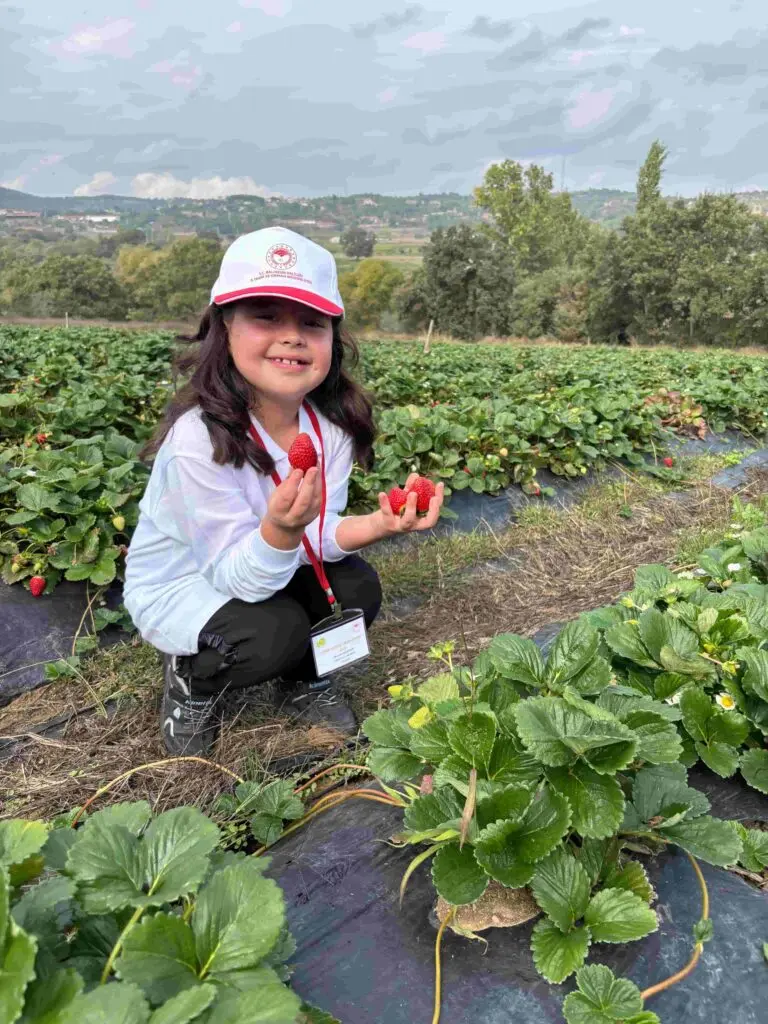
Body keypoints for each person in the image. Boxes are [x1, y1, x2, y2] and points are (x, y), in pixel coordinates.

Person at [123, 226, 445, 756]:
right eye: (266, 316)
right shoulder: (198, 441)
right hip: (187, 585)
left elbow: (318, 533)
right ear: (224, 327)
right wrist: (280, 529)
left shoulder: (328, 431)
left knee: (357, 589)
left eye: (312, 324)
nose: (292, 336)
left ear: (331, 342)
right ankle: (191, 679)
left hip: (271, 565)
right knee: (272, 632)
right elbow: (232, 575)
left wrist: (382, 523)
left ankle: (305, 684)